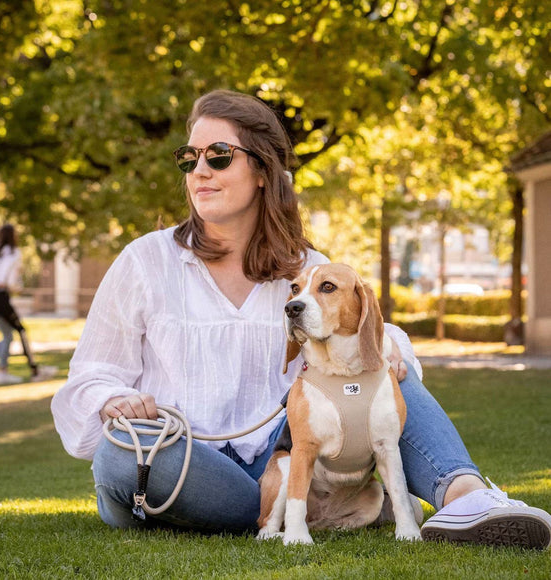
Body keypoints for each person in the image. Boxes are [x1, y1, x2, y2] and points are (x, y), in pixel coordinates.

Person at [51, 90, 551, 549]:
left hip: (286, 453)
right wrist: (114, 400)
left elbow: (362, 324)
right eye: (189, 158)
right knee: (119, 456)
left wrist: (391, 351)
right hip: (188, 458)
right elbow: (89, 376)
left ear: (263, 170)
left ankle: (466, 499)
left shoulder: (304, 268)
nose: (199, 170)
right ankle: (313, 508)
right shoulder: (144, 261)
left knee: (380, 357)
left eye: (218, 156)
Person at [0, 225, 52, 383]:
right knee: (21, 330)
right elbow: (7, 281)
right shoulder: (14, 253)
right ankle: (35, 370)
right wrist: (15, 286)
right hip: (1, 296)